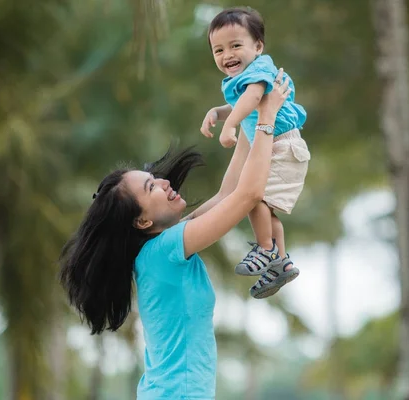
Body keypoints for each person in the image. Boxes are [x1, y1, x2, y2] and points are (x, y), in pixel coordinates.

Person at [59, 71, 291, 400]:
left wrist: (250, 118)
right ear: (140, 222)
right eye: (151, 187)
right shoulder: (164, 251)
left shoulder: (162, 248)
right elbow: (249, 195)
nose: (165, 182)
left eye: (155, 178)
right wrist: (267, 117)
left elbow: (229, 194)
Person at [200, 7, 311, 299]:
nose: (227, 55)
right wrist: (219, 112)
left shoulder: (260, 70)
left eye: (236, 45)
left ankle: (265, 249)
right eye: (218, 50)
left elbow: (252, 99)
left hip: (283, 145)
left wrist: (230, 126)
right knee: (264, 205)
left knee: (254, 197)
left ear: (258, 46)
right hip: (277, 145)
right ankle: (281, 262)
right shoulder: (244, 78)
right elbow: (243, 102)